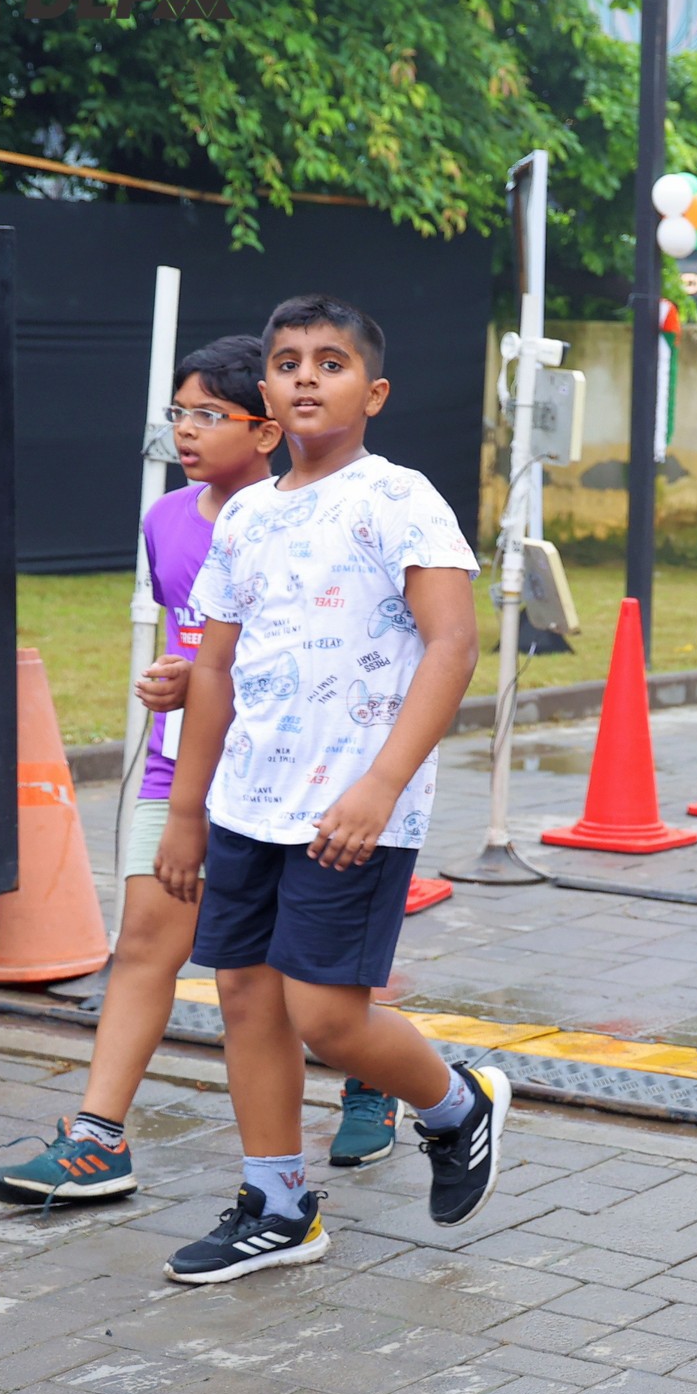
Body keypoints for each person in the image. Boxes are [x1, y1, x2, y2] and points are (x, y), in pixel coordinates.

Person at [0, 337, 398, 1202]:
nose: (186, 430)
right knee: (145, 944)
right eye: (180, 412)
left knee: (304, 978)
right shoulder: (166, 521)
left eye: (210, 414)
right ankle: (98, 1138)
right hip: (185, 771)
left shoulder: (320, 517)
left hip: (295, 780)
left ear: (266, 430)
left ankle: (373, 1071)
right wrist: (181, 681)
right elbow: (200, 647)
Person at [153, 294, 503, 1283]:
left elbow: (453, 644)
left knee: (328, 1016)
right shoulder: (246, 516)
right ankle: (277, 1205)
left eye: (331, 362)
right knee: (244, 998)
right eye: (288, 362)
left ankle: (457, 1105)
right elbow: (214, 670)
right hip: (245, 804)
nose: (307, 376)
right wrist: (185, 812)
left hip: (351, 810)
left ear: (374, 393)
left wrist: (382, 784)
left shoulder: (399, 498)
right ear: (265, 393)